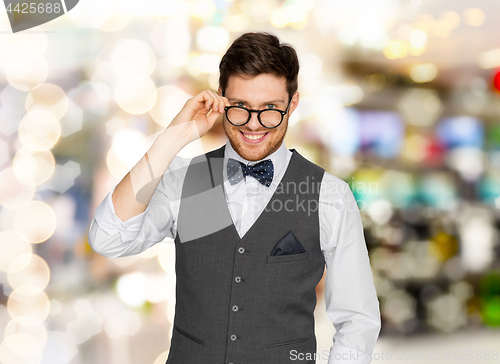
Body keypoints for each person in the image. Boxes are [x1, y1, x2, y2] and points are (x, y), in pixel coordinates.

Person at [88, 32, 381, 364]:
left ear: (292, 104)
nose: (254, 125)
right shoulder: (192, 181)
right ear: (221, 97)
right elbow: (108, 239)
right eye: (240, 107)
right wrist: (171, 139)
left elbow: (357, 320)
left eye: (270, 109)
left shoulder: (328, 195)